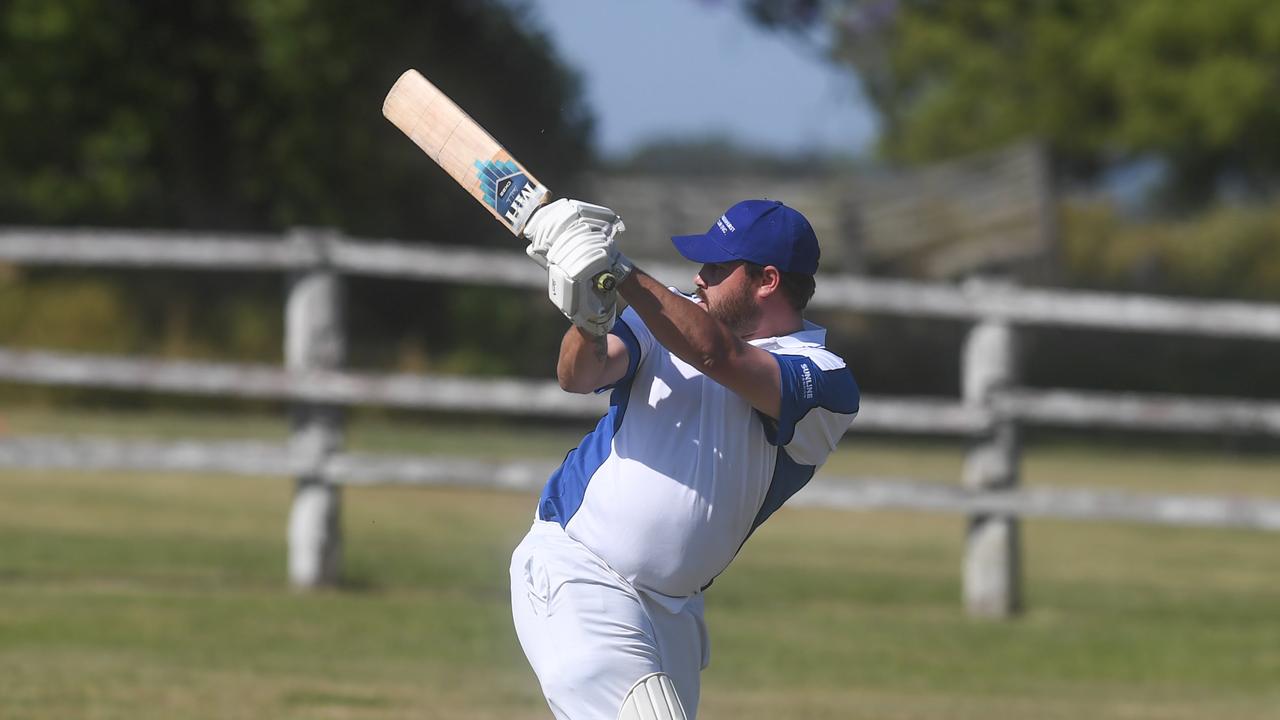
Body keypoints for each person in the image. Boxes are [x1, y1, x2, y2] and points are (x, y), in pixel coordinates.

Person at [509, 198, 860, 719]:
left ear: (767, 280)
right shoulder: (662, 315)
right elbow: (577, 376)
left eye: (718, 268)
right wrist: (590, 319)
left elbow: (720, 356)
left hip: (672, 612)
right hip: (578, 569)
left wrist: (618, 270)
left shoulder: (824, 379)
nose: (700, 278)